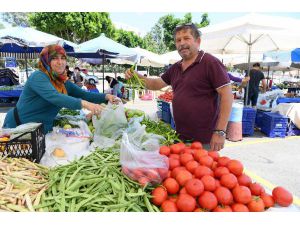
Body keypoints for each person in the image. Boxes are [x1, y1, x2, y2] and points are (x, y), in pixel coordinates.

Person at [125, 23, 233, 151]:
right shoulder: (175, 67)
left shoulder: (210, 62)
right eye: (178, 40)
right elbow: (155, 84)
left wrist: (220, 131)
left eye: (186, 38)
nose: (181, 43)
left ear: (197, 41)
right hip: (181, 137)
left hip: (205, 139)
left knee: (204, 170)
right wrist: (137, 76)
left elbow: (227, 95)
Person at [3, 44, 118, 134]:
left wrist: (107, 96)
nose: (60, 62)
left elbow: (85, 94)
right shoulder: (38, 76)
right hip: (17, 127)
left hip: (41, 130)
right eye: (54, 58)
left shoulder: (62, 82)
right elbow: (55, 97)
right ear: (46, 60)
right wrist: (86, 105)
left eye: (63, 58)